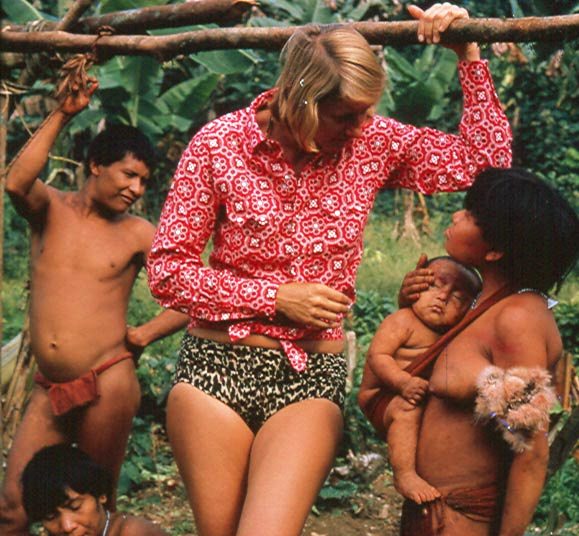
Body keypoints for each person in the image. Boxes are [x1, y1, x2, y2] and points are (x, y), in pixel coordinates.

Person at [147, 4, 512, 535]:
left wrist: (469, 57)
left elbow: (486, 165)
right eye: (345, 116)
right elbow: (167, 271)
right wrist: (274, 298)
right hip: (214, 368)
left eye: (366, 112)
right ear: (300, 99)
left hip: (310, 376)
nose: (360, 126)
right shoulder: (218, 145)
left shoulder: (372, 143)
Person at [0, 79, 189, 535]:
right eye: (129, 174)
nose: (136, 188)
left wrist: (144, 334)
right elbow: (16, 181)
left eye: (144, 181)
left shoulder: (138, 233)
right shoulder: (50, 209)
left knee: (97, 508)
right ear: (96, 165)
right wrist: (64, 112)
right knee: (13, 507)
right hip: (50, 387)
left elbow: (192, 296)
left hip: (107, 382)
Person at [393, 167, 579, 535]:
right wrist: (410, 310)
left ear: (496, 250)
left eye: (471, 214)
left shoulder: (517, 318)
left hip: (462, 519)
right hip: (429, 513)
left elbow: (530, 449)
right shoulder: (479, 302)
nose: (456, 216)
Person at [358, 256, 481, 504]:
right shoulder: (403, 320)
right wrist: (403, 383)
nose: (442, 297)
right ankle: (404, 475)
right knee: (407, 409)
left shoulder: (453, 334)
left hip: (417, 395)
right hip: (383, 396)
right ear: (415, 287)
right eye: (434, 286)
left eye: (457, 298)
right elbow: (377, 356)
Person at [21, 444, 168, 536]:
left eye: (76, 507)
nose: (67, 526)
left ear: (101, 494)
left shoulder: (133, 533)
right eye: (50, 517)